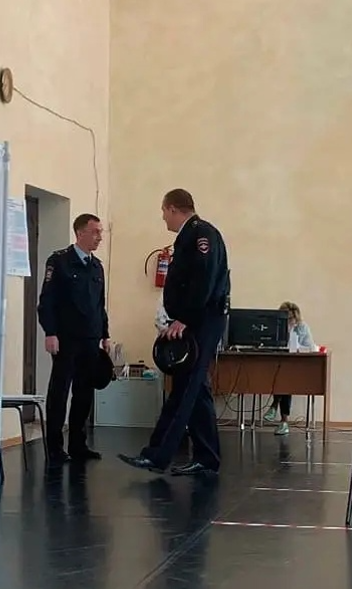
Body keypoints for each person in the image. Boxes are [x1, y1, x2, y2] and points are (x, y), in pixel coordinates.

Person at [119, 189, 231, 476]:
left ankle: (158, 455)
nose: (163, 218)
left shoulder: (200, 234)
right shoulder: (189, 236)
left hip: (202, 320)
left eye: (163, 211)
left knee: (185, 390)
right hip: (195, 319)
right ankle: (206, 458)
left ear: (172, 208)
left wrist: (184, 318)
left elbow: (203, 280)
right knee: (194, 389)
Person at [37, 213, 110, 465]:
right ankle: (55, 447)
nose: (100, 237)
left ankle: (78, 444)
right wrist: (50, 332)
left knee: (84, 392)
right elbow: (47, 301)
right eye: (95, 232)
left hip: (90, 338)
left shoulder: (96, 266)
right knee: (60, 393)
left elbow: (99, 305)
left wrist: (105, 334)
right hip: (66, 339)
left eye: (101, 232)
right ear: (80, 233)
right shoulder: (60, 261)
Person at [262, 301, 317, 435]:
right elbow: (266, 344)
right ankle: (283, 421)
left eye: (291, 318)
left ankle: (275, 407)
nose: (289, 321)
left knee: (285, 380)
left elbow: (310, 347)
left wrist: (297, 347)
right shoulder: (274, 327)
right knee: (282, 378)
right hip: (280, 367)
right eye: (285, 318)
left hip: (298, 368)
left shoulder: (302, 328)